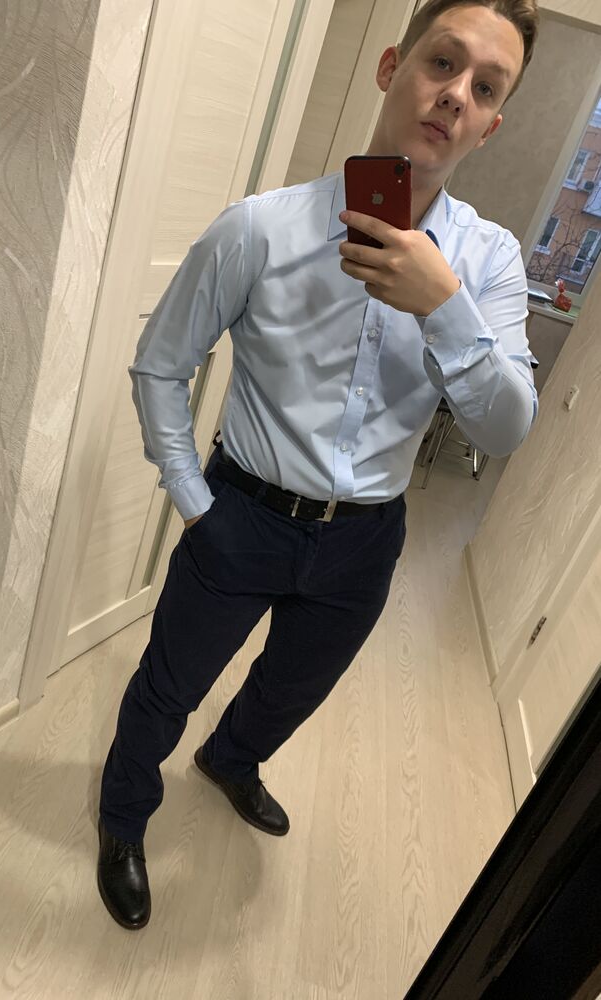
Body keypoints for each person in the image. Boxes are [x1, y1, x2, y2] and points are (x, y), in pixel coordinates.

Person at [96, 0, 540, 930]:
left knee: (292, 688)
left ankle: (231, 760)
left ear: (492, 125)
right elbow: (161, 365)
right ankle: (124, 817)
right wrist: (193, 498)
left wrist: (443, 305)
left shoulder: (489, 262)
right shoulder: (258, 229)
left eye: (485, 87)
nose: (455, 94)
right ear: (391, 67)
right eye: (442, 63)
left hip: (365, 541)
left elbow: (504, 429)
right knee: (168, 685)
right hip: (241, 515)